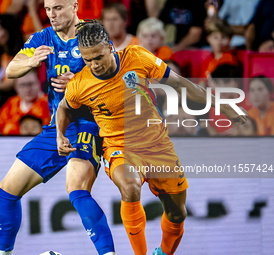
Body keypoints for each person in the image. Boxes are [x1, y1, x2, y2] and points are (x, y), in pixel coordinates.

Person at [56, 20, 248, 255]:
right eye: (88, 60)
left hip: (157, 145)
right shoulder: (80, 85)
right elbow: (64, 108)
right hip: (118, 146)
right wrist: (59, 135)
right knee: (130, 187)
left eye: (98, 57)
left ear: (110, 47)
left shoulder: (136, 57)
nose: (94, 65)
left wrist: (221, 105)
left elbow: (179, 84)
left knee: (177, 213)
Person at [0, 1, 115, 255]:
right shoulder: (43, 38)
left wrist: (82, 81)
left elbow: (112, 79)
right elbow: (11, 69)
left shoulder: (93, 34)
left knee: (77, 189)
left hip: (88, 124)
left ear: (75, 5)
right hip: (55, 127)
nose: (51, 14)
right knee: (7, 190)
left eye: (58, 8)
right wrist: (30, 63)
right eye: (48, 9)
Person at [0, 69, 50, 135]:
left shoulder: (51, 103)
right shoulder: (11, 103)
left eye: (31, 84)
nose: (27, 89)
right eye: (23, 85)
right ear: (16, 88)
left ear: (39, 83)